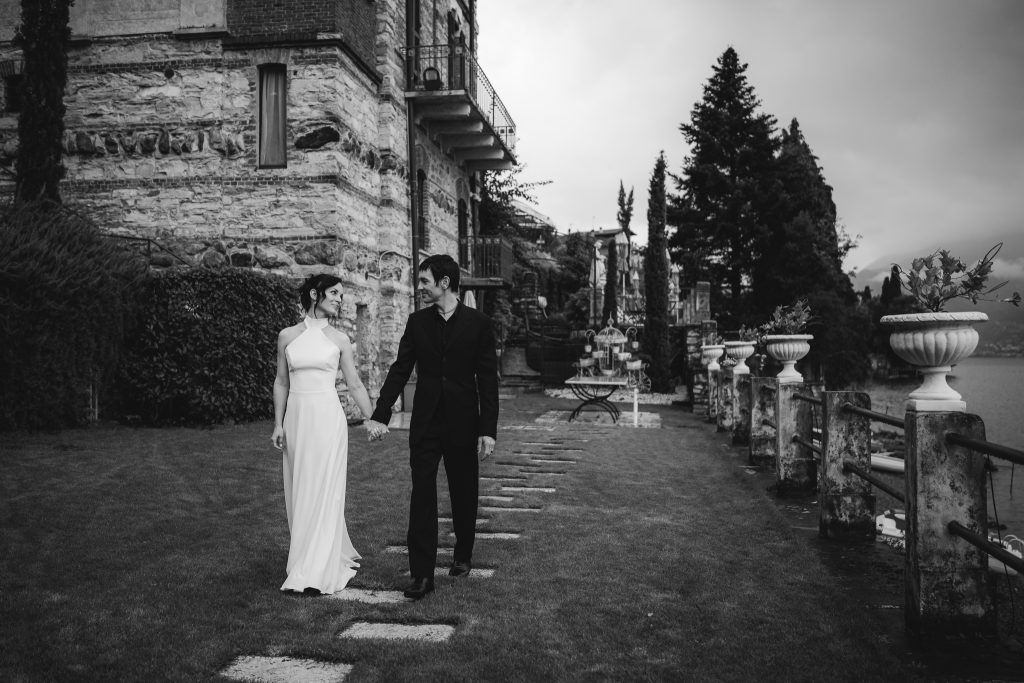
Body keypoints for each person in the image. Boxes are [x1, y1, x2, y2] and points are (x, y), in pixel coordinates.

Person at [365, 254, 499, 600]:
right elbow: (400, 369)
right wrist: (381, 413)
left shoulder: (479, 324)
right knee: (422, 494)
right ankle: (422, 576)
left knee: (463, 490)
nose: (419, 287)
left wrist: (488, 429)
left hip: (463, 421)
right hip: (424, 423)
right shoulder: (416, 322)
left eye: (424, 281)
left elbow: (487, 381)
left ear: (444, 283)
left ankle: (463, 554)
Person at [271, 274, 378, 595]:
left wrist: (373, 419)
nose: (339, 299)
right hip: (297, 420)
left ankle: (319, 567)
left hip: (329, 420)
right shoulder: (287, 336)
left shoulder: (340, 339)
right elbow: (281, 382)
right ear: (315, 295)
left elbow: (355, 384)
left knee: (325, 489)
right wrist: (278, 423)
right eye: (334, 293)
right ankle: (303, 557)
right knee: (301, 488)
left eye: (342, 295)